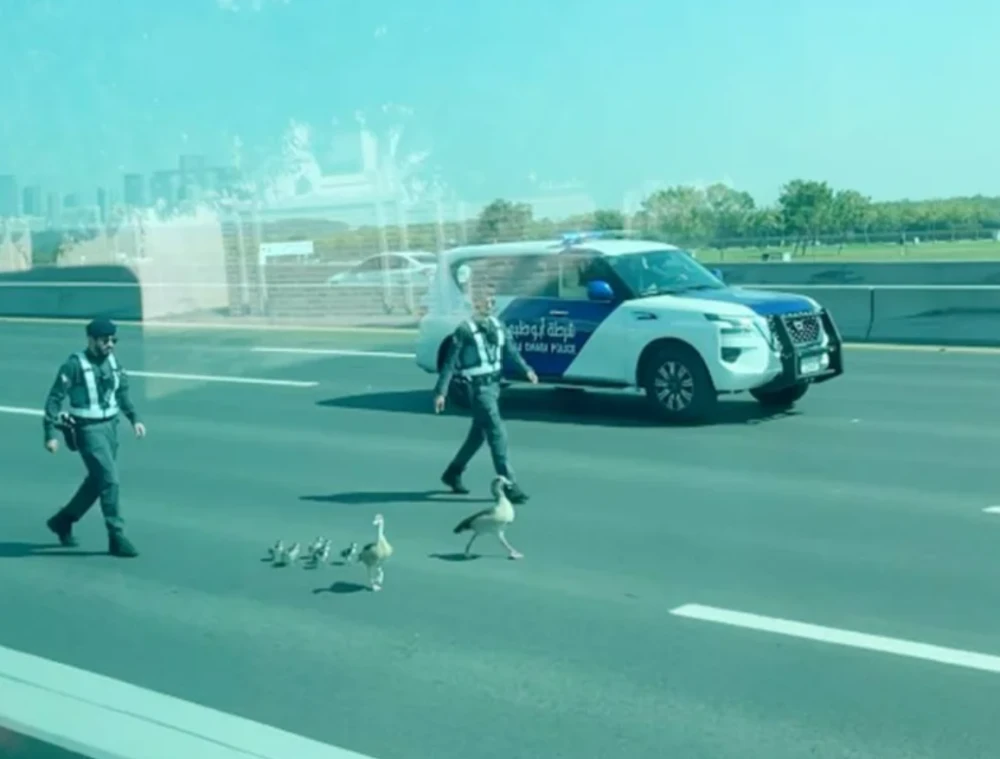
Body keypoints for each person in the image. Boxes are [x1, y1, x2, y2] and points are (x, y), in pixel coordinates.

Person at [42, 318, 145, 557]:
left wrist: (135, 418)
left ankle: (63, 520)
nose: (110, 344)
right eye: (104, 340)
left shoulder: (113, 362)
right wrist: (50, 433)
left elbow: (122, 393)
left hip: (110, 427)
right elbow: (55, 398)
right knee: (110, 480)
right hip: (88, 430)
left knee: (97, 481)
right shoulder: (74, 365)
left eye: (113, 340)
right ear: (91, 340)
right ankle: (116, 535)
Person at [433, 281, 537, 503]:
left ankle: (453, 472)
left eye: (491, 301)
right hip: (477, 388)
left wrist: (527, 370)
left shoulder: (498, 326)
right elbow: (449, 363)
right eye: (484, 301)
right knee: (497, 432)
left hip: (494, 386)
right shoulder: (464, 330)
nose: (489, 305)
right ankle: (508, 484)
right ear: (474, 304)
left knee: (478, 434)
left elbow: (512, 351)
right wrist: (441, 392)